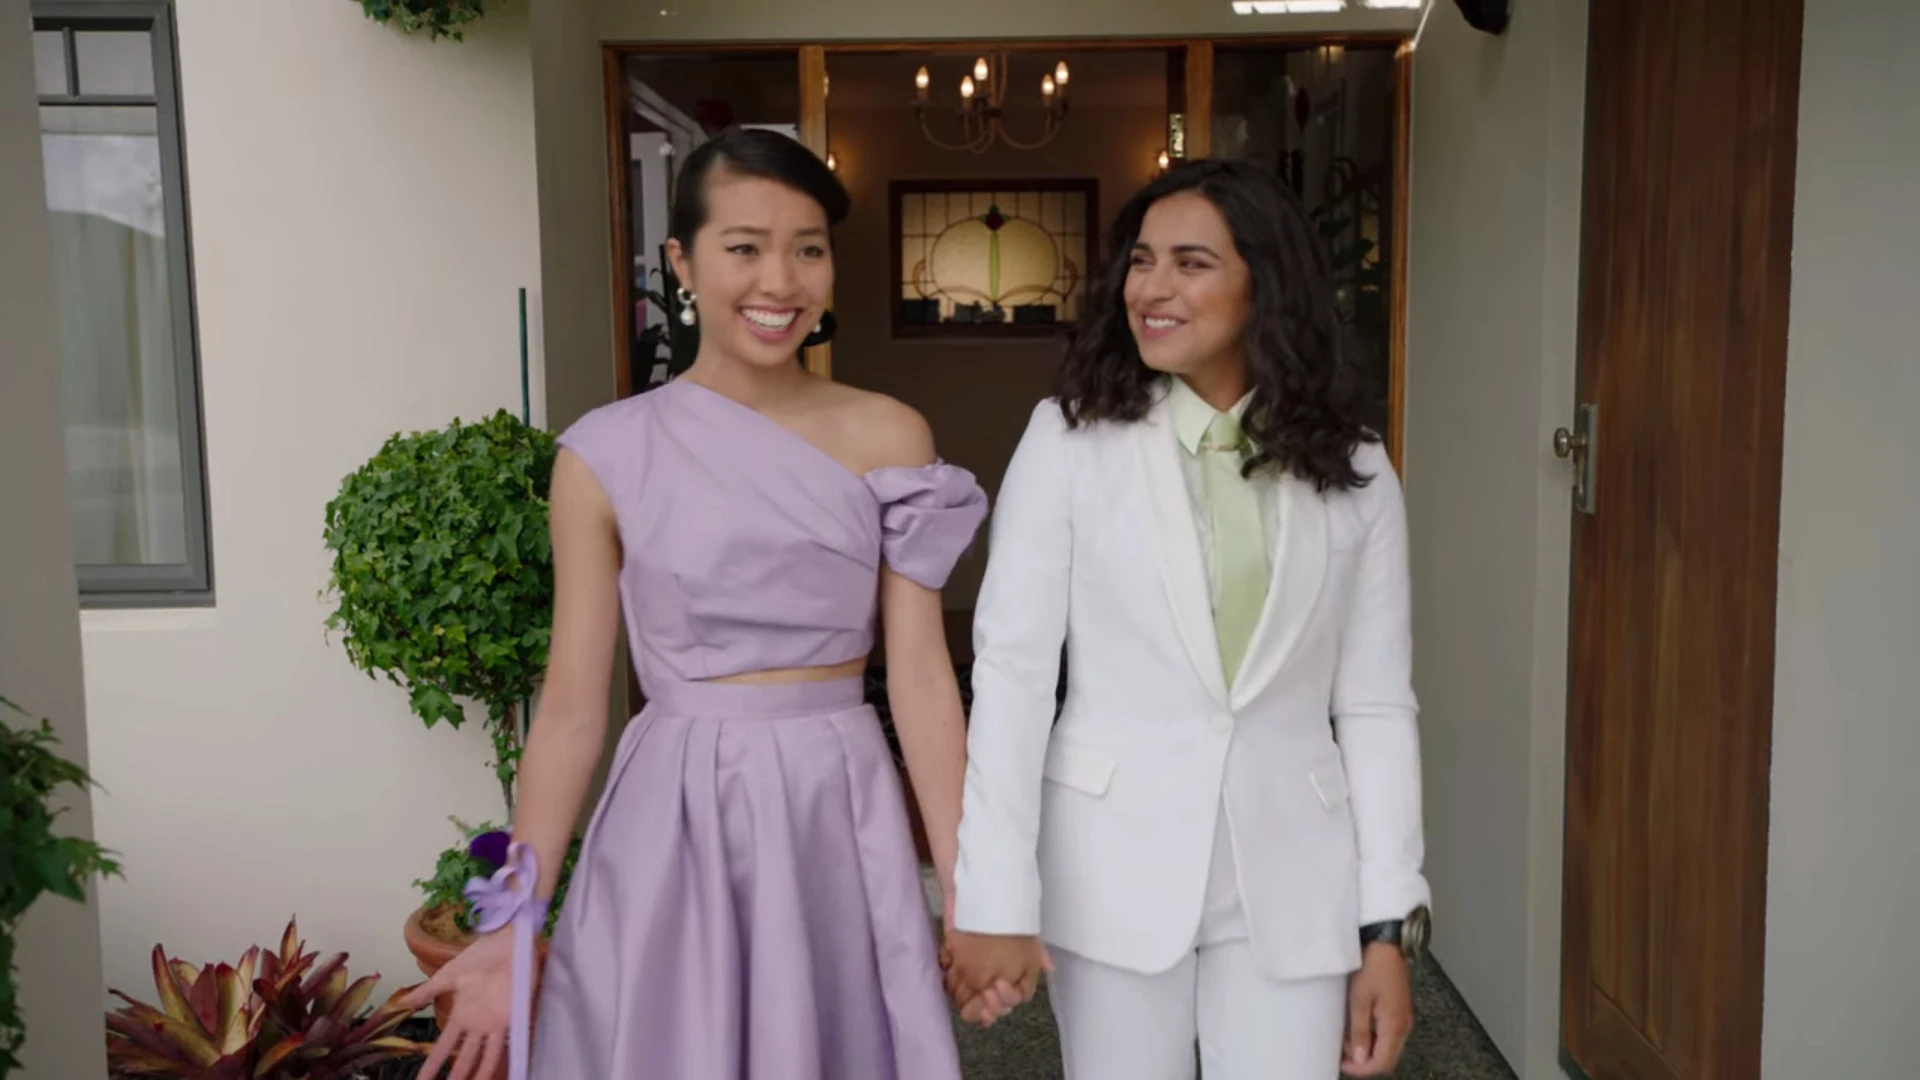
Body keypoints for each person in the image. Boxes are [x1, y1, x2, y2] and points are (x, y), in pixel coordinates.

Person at [406, 127, 1001, 1080]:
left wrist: (976, 886)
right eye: (745, 247)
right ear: (681, 262)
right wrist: (513, 923)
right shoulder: (602, 454)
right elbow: (570, 712)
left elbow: (925, 679)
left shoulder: (891, 435)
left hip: (835, 797)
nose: (780, 281)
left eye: (808, 249)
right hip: (672, 807)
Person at [941, 158, 1432, 1080]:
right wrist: (993, 893)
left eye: (1191, 263)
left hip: (1293, 877)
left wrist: (1388, 927)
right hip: (1110, 868)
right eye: (1141, 261)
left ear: (1265, 285)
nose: (1152, 288)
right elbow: (1012, 676)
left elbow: (1375, 705)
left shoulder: (1357, 467)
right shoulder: (1068, 439)